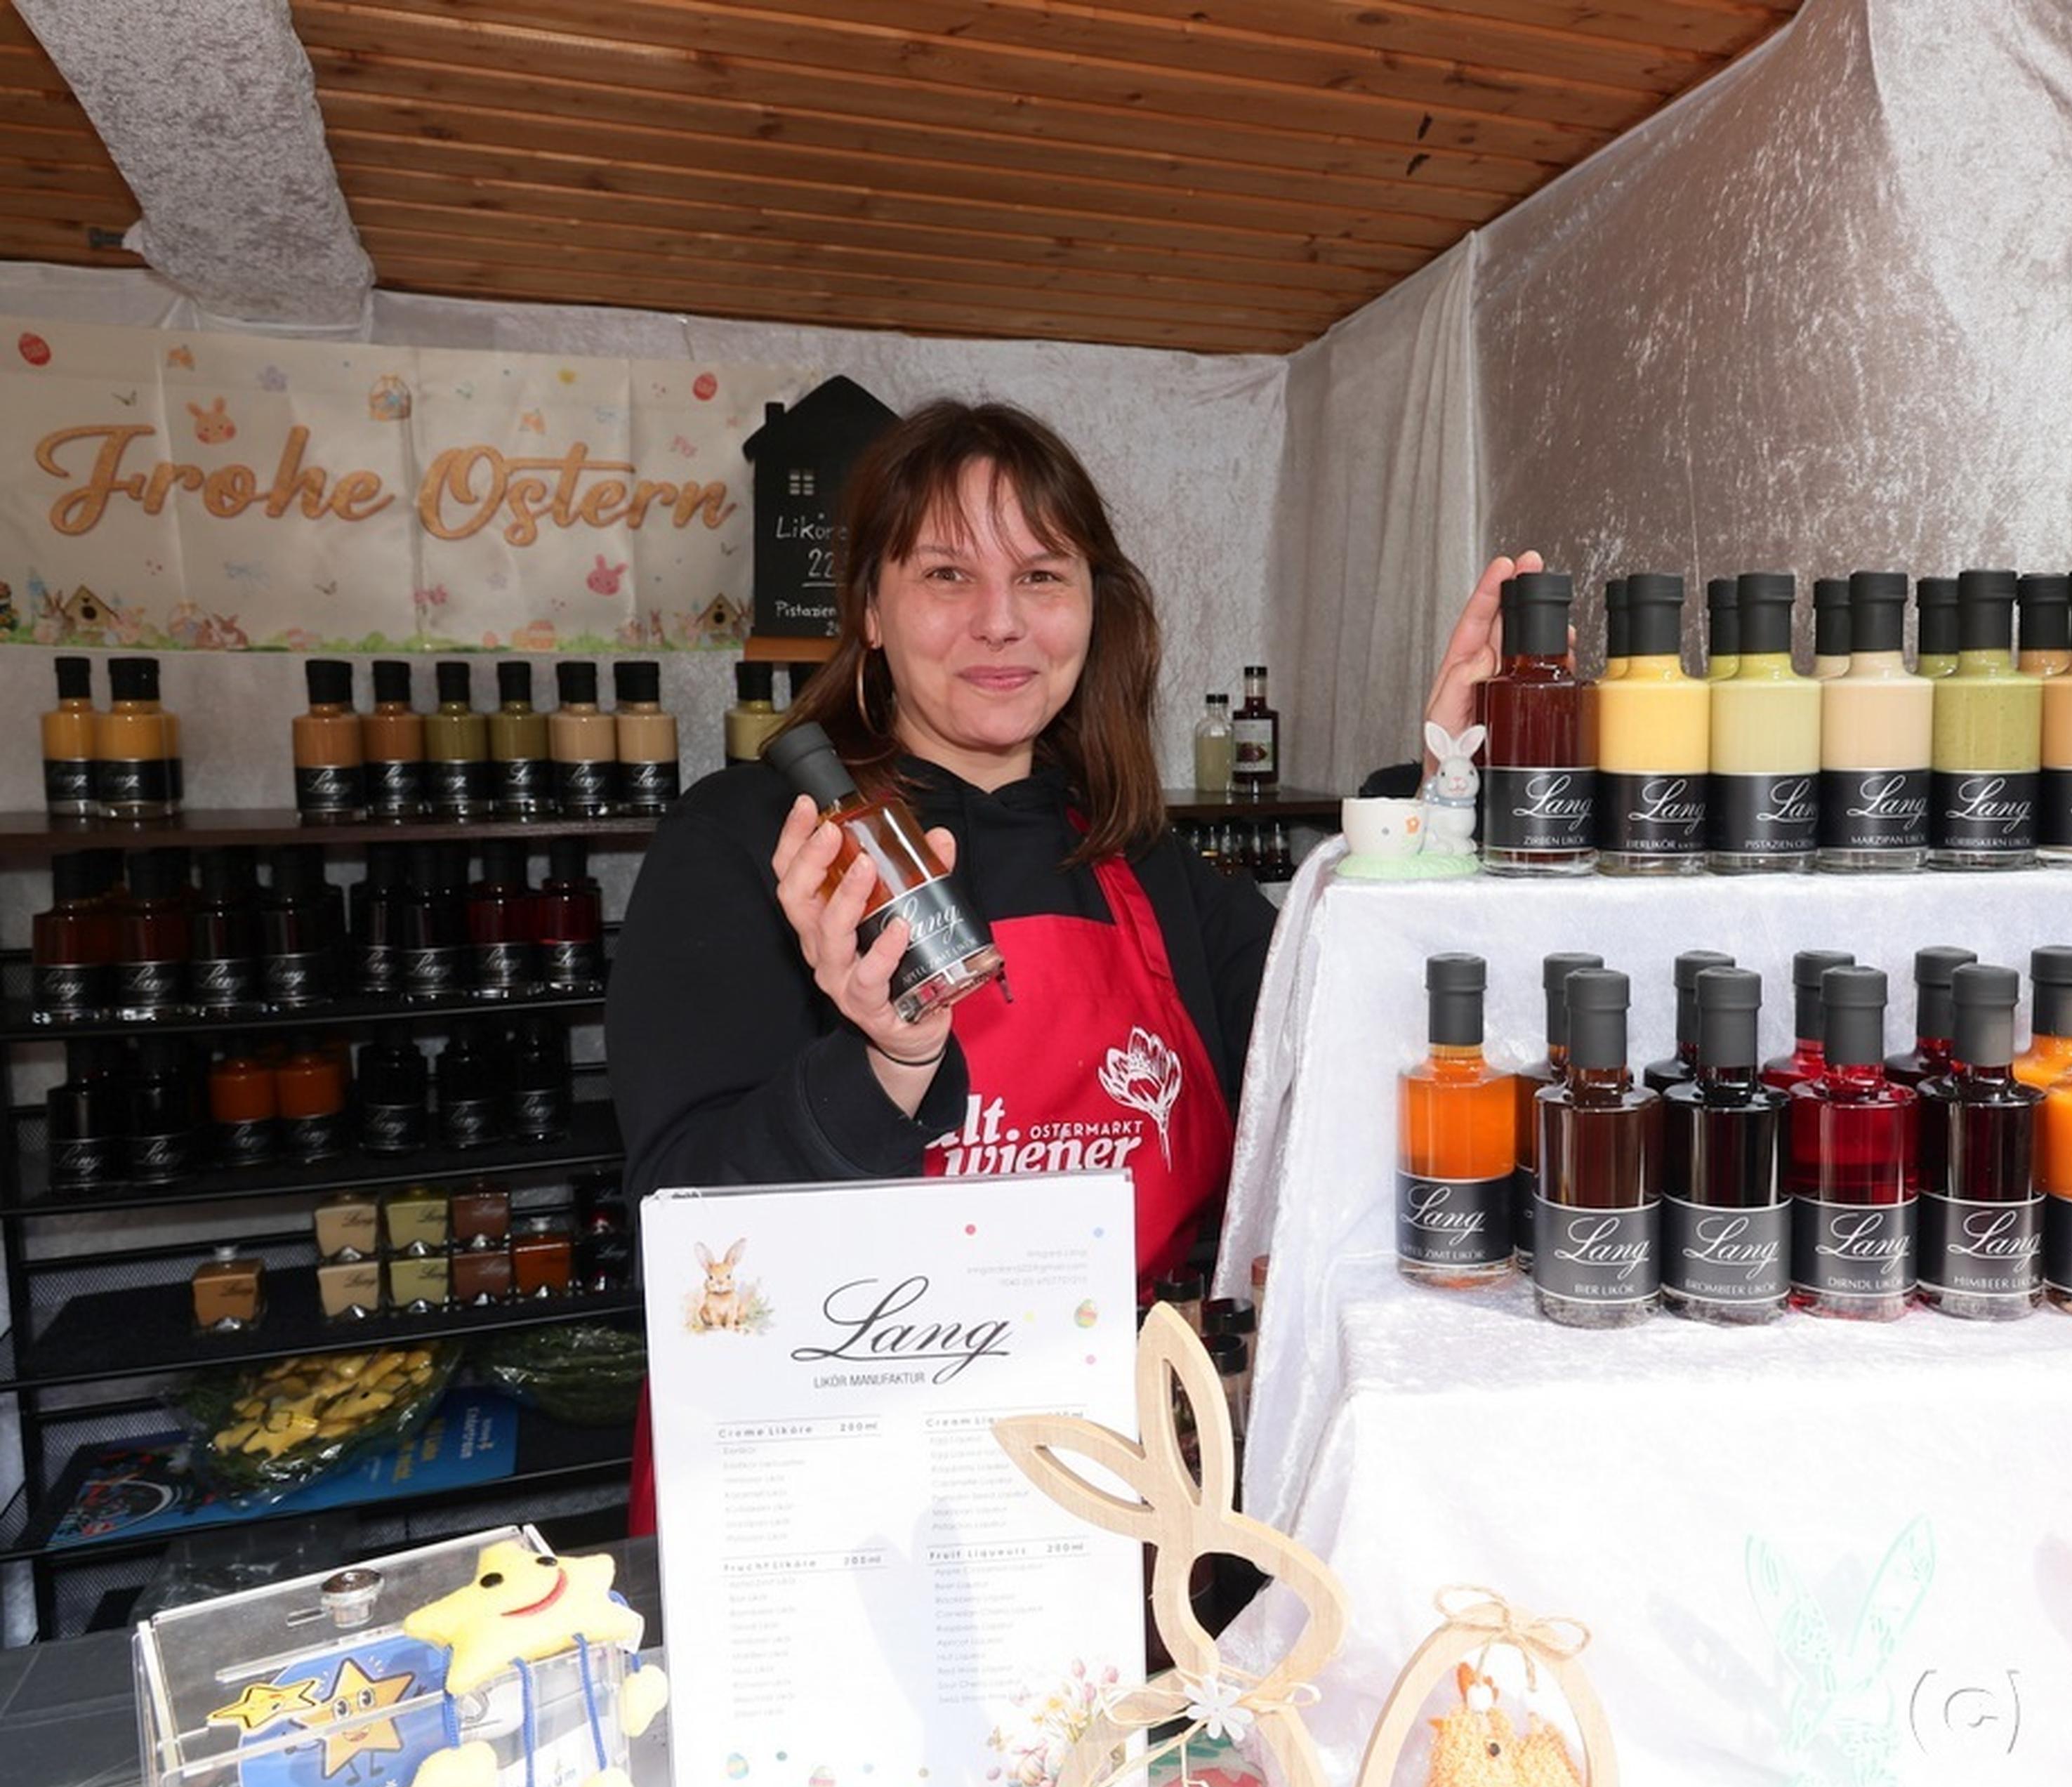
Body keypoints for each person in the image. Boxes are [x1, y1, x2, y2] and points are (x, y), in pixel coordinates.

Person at [607, 396, 1531, 1524]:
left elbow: (1345, 1022)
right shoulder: (755, 841)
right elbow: (687, 1224)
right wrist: (888, 1065)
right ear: (872, 611)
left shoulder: (1143, 861)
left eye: (1043, 576)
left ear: (1096, 608)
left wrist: (1442, 791)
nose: (1002, 622)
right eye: (948, 576)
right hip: (833, 1495)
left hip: (1126, 1491)